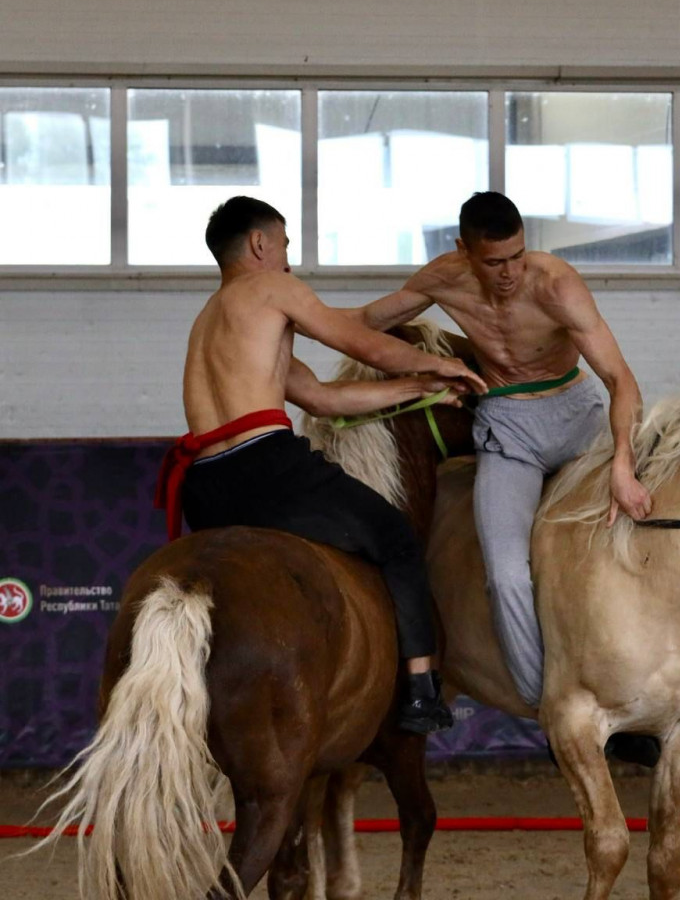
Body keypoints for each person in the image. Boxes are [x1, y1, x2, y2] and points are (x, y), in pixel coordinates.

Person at [154, 195, 486, 734]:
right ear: (260, 244)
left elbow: (325, 399)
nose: (290, 257)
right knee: (396, 538)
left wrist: (418, 387)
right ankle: (422, 689)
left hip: (206, 484)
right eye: (285, 244)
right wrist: (439, 361)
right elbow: (362, 342)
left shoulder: (213, 322)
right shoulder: (272, 287)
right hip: (266, 468)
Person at [358, 192, 660, 765]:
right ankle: (551, 710)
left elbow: (621, 379)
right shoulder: (444, 278)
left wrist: (622, 463)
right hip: (507, 427)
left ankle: (631, 704)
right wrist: (292, 325)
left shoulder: (555, 284)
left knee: (625, 546)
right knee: (503, 572)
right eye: (494, 262)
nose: (509, 273)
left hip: (575, 419)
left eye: (517, 256)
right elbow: (367, 323)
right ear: (463, 252)